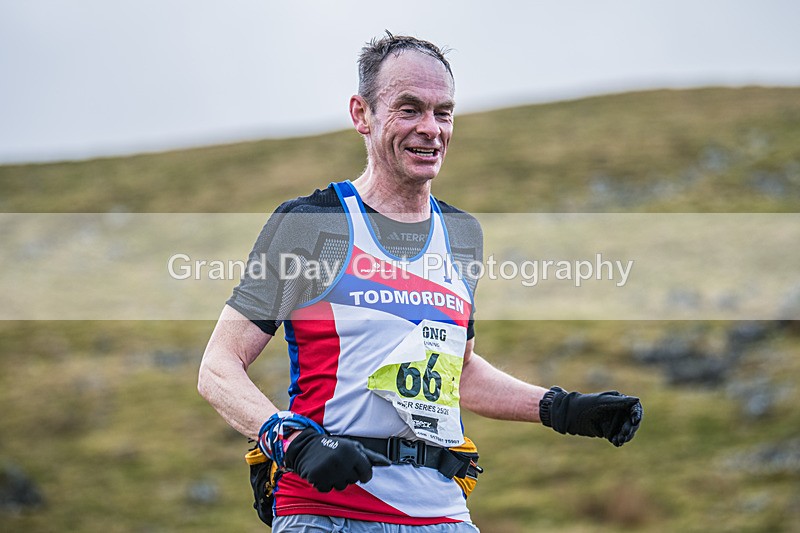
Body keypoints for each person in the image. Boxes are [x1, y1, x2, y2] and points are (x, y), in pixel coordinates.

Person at [198, 32, 643, 532]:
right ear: (361, 114)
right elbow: (218, 366)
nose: (430, 129)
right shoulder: (313, 225)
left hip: (444, 514)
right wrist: (291, 441)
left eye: (443, 112)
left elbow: (460, 372)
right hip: (328, 514)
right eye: (409, 109)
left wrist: (563, 408)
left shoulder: (460, 235)